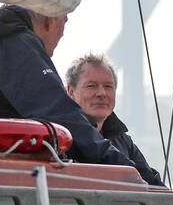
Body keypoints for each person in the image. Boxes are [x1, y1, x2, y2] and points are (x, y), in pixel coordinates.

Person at [0, 2, 162, 186]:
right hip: (7, 188)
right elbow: (59, 114)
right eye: (91, 86)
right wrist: (127, 173)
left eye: (108, 86)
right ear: (52, 21)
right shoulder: (14, 42)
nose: (53, 48)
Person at [65, 53, 164, 187]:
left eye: (108, 86)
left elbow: (155, 188)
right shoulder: (59, 139)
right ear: (71, 92)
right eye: (91, 86)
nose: (102, 93)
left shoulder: (123, 141)